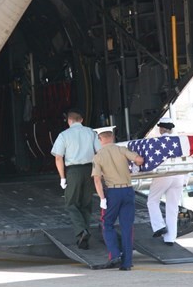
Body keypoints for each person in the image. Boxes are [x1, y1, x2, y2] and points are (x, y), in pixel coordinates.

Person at [91, 127, 143, 271]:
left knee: (107, 224)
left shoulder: (98, 156)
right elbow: (139, 159)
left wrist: (102, 198)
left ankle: (114, 254)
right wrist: (138, 164)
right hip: (127, 190)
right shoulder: (122, 150)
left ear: (100, 139)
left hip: (113, 193)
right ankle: (127, 263)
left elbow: (97, 180)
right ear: (112, 137)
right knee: (127, 227)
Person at [51, 108, 101, 250]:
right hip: (90, 170)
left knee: (71, 203)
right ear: (82, 120)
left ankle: (81, 231)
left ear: (69, 121)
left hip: (74, 171)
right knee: (86, 204)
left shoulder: (64, 135)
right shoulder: (91, 132)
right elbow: (99, 152)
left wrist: (62, 177)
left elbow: (58, 157)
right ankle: (83, 238)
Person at [147, 118, 187, 245]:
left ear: (162, 129)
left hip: (164, 174)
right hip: (179, 175)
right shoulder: (180, 142)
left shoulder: (156, 142)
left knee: (152, 200)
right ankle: (170, 238)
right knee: (172, 208)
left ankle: (159, 226)